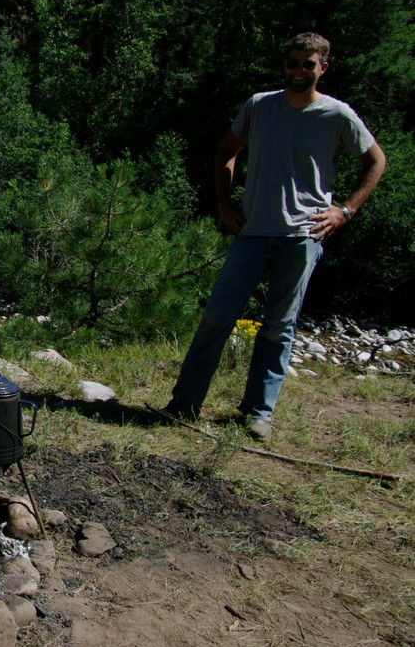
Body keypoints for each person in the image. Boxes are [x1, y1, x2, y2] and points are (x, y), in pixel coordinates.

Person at [165, 32, 386, 440]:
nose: (298, 70)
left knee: (278, 326)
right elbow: (226, 150)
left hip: (304, 235)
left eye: (307, 63)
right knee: (216, 317)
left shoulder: (338, 115)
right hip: (251, 230)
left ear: (323, 67)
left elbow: (375, 160)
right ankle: (184, 403)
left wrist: (345, 211)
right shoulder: (259, 105)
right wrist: (224, 202)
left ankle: (257, 412)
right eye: (292, 62)